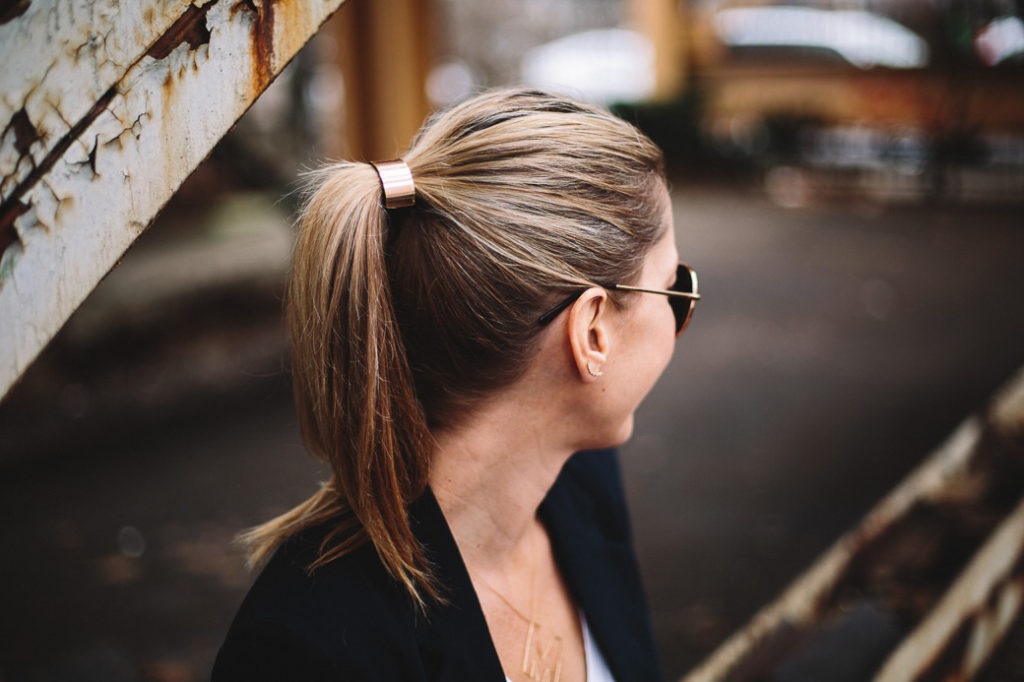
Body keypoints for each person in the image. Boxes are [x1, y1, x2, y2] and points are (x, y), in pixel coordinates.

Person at [213, 88, 700, 682]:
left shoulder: (579, 486)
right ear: (592, 332)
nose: (683, 311)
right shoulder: (312, 652)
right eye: (675, 288)